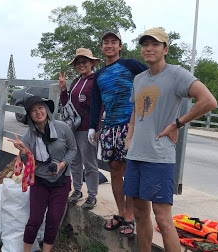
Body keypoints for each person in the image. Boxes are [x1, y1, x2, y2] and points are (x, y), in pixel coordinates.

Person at [124, 27, 217, 251]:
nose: (149, 49)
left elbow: (208, 101)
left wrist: (178, 123)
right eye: (145, 44)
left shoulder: (177, 74)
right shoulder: (138, 79)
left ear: (165, 48)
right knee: (139, 213)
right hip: (136, 154)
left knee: (163, 219)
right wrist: (129, 137)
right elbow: (136, 112)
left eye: (155, 44)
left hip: (159, 156)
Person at [88, 30, 148, 236]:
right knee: (114, 170)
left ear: (120, 46)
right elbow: (96, 103)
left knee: (130, 170)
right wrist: (92, 126)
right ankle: (121, 211)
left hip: (130, 125)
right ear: (102, 47)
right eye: (106, 42)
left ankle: (130, 216)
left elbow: (152, 77)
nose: (110, 46)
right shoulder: (99, 74)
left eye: (114, 42)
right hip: (109, 127)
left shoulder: (131, 65)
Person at [8, 96, 77, 252]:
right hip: (40, 181)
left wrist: (62, 164)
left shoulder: (62, 128)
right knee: (35, 220)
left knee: (54, 219)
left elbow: (73, 149)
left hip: (61, 181)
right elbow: (27, 163)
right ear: (30, 116)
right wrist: (23, 151)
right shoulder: (28, 136)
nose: (38, 112)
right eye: (33, 110)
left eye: (40, 107)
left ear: (46, 109)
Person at [58, 48, 101, 210]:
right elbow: (67, 104)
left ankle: (92, 195)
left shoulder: (96, 80)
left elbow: (100, 105)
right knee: (74, 161)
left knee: (90, 162)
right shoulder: (76, 81)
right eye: (79, 63)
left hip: (87, 128)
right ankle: (77, 190)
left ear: (91, 63)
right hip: (73, 128)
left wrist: (95, 127)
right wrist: (63, 89)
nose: (81, 65)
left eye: (85, 62)